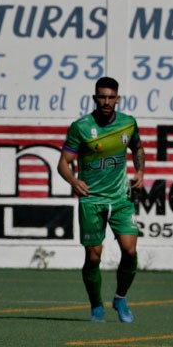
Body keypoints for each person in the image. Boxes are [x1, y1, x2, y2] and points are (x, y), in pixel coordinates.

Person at [57, 77, 145, 324]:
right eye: (102, 97)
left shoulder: (128, 124)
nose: (106, 102)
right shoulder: (82, 127)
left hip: (120, 198)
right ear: (95, 98)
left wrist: (140, 172)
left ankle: (120, 297)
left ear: (117, 99)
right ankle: (96, 304)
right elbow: (63, 163)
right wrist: (74, 181)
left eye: (111, 97)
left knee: (130, 250)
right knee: (93, 256)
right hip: (92, 201)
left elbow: (137, 148)